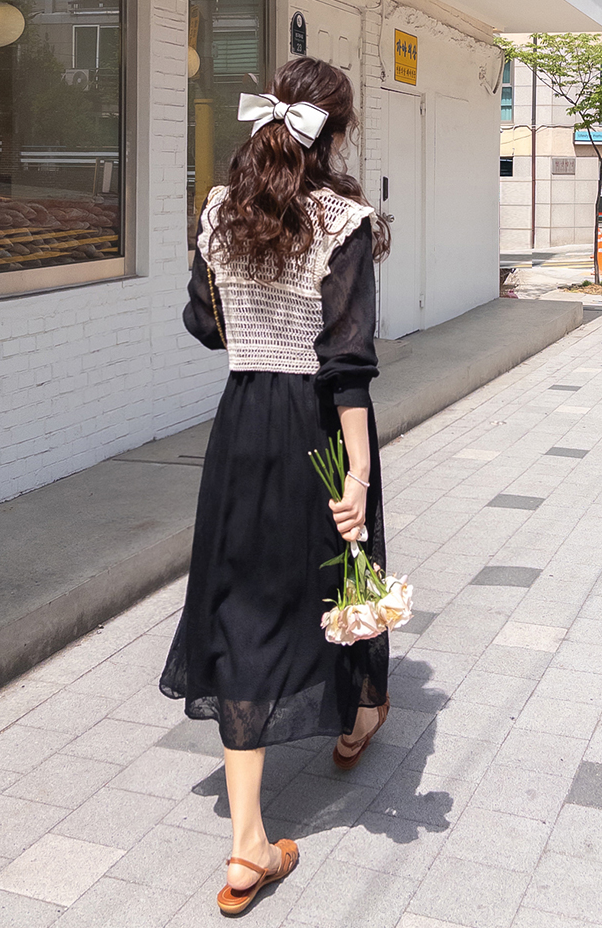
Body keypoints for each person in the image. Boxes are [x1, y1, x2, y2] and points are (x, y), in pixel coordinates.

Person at [159, 56, 391, 915]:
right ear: (335, 130)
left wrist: (255, 314)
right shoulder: (346, 222)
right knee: (346, 572)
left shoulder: (222, 211)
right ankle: (357, 720)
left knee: (242, 601)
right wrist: (358, 473)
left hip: (241, 424)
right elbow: (348, 364)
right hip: (316, 426)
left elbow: (203, 323)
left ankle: (247, 843)